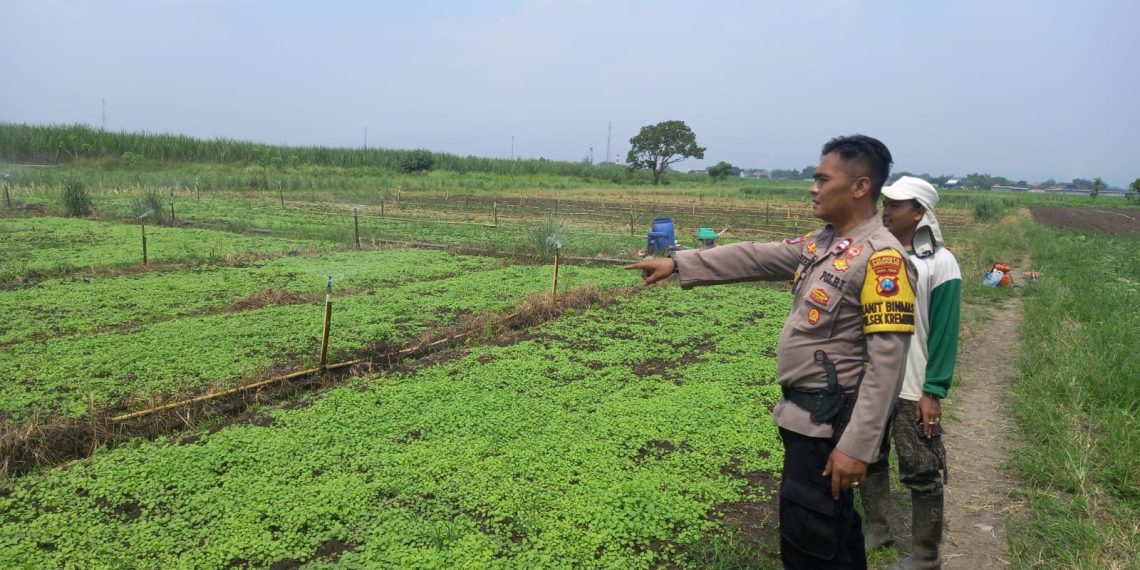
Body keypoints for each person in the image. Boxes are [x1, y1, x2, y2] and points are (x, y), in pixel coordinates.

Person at [626, 134, 916, 569]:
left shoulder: (881, 259)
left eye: (822, 178)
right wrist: (679, 263)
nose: (812, 187)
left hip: (829, 426)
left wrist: (857, 446)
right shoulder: (827, 243)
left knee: (810, 543)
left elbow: (888, 365)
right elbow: (757, 257)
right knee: (834, 534)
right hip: (804, 420)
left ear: (859, 186)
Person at [860, 176, 961, 570]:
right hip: (870, 380)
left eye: (894, 205)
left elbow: (945, 331)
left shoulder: (940, 262)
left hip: (913, 384)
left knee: (922, 469)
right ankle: (878, 528)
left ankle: (925, 555)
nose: (884, 210)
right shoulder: (873, 254)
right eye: (884, 203)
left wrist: (932, 390)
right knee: (868, 457)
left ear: (918, 212)